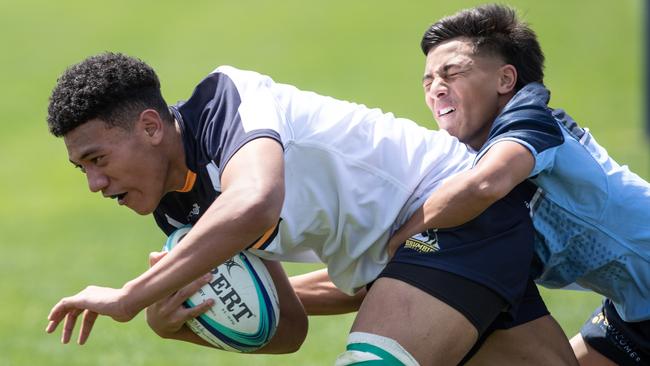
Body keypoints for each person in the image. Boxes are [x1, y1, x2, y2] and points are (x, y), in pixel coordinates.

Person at [43, 52, 565, 364]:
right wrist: (182, 323)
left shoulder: (226, 104)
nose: (94, 182)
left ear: (151, 128)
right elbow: (288, 328)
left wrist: (131, 295)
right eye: (81, 169)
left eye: (97, 159)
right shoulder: (178, 210)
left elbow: (253, 201)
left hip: (451, 213)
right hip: (408, 264)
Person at [384, 4, 650, 365]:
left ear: (506, 80)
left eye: (452, 73)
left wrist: (403, 235)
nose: (436, 89)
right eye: (428, 81)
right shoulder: (469, 159)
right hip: (634, 313)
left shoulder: (528, 119)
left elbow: (486, 185)